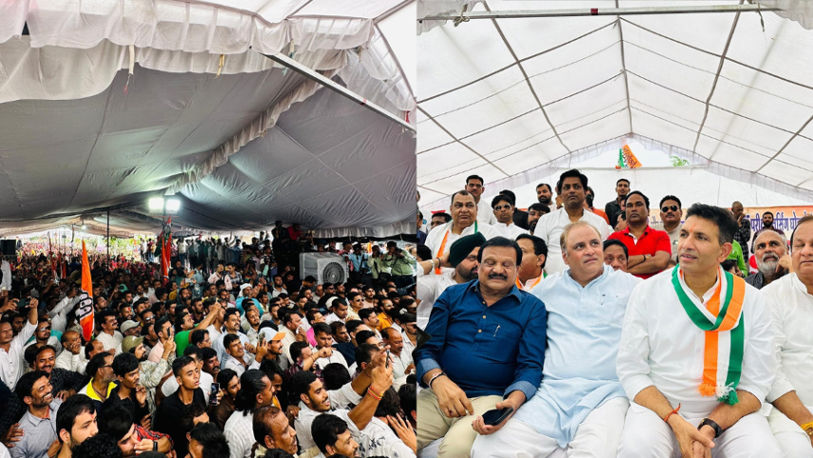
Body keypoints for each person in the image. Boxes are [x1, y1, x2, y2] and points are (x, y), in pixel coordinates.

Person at [616, 203, 780, 457]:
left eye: (700, 237)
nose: (686, 244)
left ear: (724, 251)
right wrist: (675, 421)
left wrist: (710, 427)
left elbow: (757, 382)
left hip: (729, 413)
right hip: (662, 410)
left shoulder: (752, 299)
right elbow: (631, 370)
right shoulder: (647, 292)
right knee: (637, 449)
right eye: (684, 234)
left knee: (763, 452)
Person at [473, 222, 641, 457]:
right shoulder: (544, 291)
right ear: (564, 256)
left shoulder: (634, 288)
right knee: (489, 447)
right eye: (580, 246)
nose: (590, 250)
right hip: (551, 392)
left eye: (594, 243)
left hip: (607, 393)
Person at [415, 236, 546, 457]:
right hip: (440, 392)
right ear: (479, 265)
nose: (498, 270)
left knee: (457, 449)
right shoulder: (452, 296)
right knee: (397, 436)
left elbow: (530, 366)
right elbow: (425, 349)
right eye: (490, 262)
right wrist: (438, 380)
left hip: (488, 399)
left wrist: (511, 404)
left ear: (517, 269)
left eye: (507, 265)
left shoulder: (532, 308)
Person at [761, 215, 813, 455]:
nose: (806, 252)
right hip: (789, 414)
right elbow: (770, 370)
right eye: (800, 245)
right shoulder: (771, 297)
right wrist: (809, 424)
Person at [534, 170, 612, 275]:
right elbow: (537, 254)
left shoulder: (599, 222)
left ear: (585, 192)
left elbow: (605, 256)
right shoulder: (546, 220)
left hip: (591, 282)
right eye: (567, 187)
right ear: (560, 194)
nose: (571, 191)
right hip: (554, 284)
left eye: (576, 187)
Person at [416, 233, 485, 329]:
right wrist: (439, 261)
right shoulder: (437, 283)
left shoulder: (488, 288)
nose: (478, 264)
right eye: (472, 258)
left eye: (481, 259)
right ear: (457, 260)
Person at [425, 191, 496, 271]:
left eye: (469, 205)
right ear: (451, 209)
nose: (464, 210)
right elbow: (425, 262)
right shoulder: (435, 233)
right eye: (459, 205)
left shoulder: (490, 233)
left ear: (476, 209)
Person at [607, 191, 671, 278]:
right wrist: (644, 257)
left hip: (650, 290)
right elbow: (610, 264)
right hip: (620, 290)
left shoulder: (661, 236)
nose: (633, 209)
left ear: (648, 211)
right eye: (629, 206)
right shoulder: (614, 238)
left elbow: (660, 262)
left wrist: (626, 271)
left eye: (638, 204)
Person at [155, 356, 208, 455]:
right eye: (190, 374)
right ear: (179, 380)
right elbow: (161, 436)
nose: (196, 376)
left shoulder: (198, 393)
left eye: (196, 371)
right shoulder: (168, 406)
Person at [223, 369, 275, 458]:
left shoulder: (271, 407)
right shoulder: (233, 431)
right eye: (270, 389)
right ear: (259, 398)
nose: (273, 390)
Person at [12, 370, 62, 458]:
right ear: (28, 399)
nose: (49, 389)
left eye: (49, 384)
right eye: (42, 389)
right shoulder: (19, 438)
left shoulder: (60, 405)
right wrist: (48, 455)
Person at [0, 297, 37, 389]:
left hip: (18, 393)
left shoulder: (17, 342)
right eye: (4, 331)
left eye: (10, 330)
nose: (8, 333)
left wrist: (34, 308)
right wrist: (1, 310)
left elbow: (32, 325)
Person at [658, 195, 682, 265]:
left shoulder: (688, 231)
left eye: (673, 208)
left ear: (680, 212)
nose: (669, 211)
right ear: (660, 214)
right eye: (665, 209)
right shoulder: (652, 230)